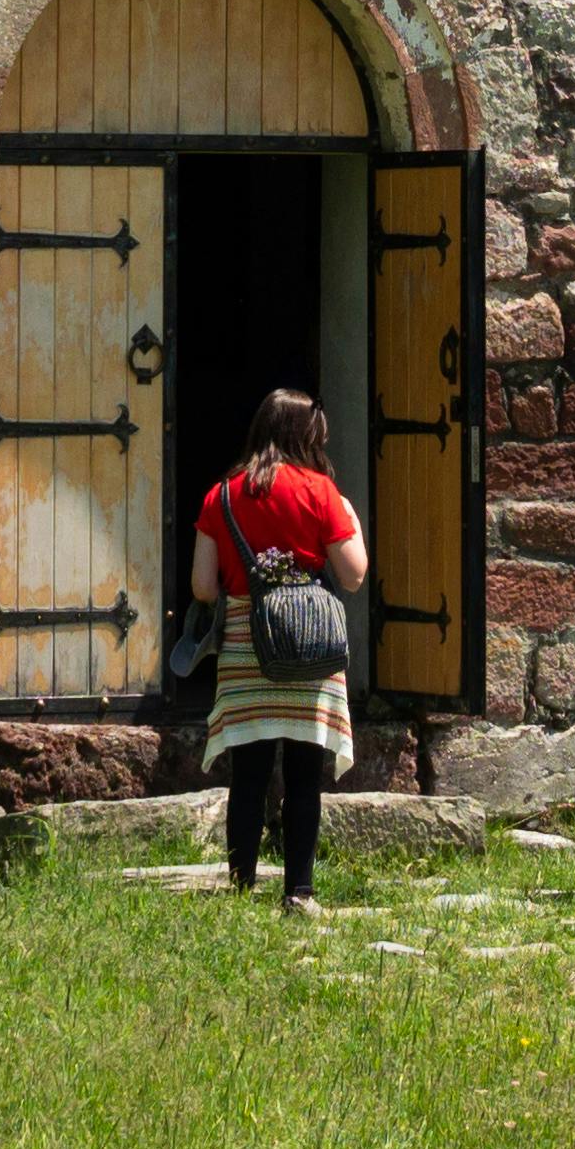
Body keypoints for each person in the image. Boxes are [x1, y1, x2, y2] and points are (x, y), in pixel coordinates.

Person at [191, 388, 369, 910]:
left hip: (248, 646)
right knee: (303, 775)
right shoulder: (321, 492)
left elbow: (203, 587)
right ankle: (300, 892)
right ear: (304, 435)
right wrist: (352, 520)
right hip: (309, 646)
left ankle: (242, 887)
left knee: (248, 773)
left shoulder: (221, 495)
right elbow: (353, 575)